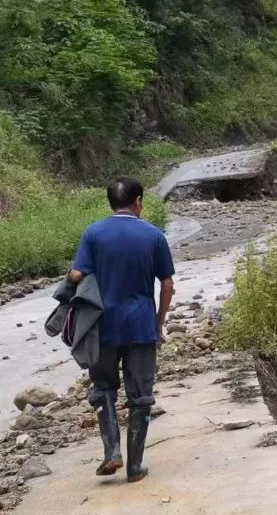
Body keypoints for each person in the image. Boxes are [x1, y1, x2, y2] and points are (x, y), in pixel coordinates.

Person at [68, 177, 175, 483]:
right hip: (140, 325)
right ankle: (135, 466)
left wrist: (73, 276)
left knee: (103, 388)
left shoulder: (94, 233)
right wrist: (158, 321)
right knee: (140, 396)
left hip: (101, 326)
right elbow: (166, 284)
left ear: (110, 202)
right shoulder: (153, 235)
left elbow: (77, 274)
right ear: (138, 201)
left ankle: (112, 451)